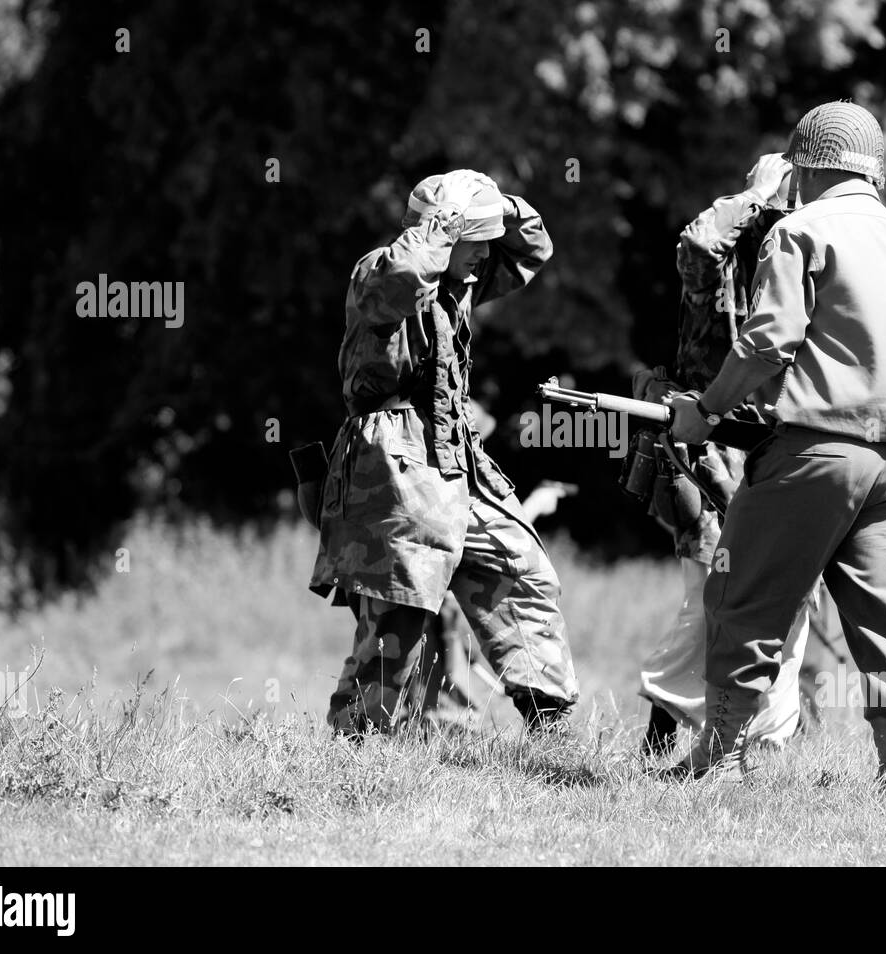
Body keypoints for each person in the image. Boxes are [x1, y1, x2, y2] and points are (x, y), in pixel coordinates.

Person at [667, 101, 886, 783]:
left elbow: (767, 343)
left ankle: (715, 761)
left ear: (801, 168)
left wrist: (707, 412)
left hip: (809, 458)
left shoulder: (801, 231)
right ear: (875, 174)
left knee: (741, 597)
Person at [309, 169, 579, 736]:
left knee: (520, 570)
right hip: (395, 466)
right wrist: (441, 227)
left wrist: (492, 204)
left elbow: (533, 247)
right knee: (400, 616)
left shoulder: (461, 282)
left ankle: (549, 726)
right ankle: (355, 748)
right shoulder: (380, 271)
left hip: (455, 461)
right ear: (443, 236)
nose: (484, 253)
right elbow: (404, 278)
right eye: (473, 241)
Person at [635, 153, 821, 759]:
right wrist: (757, 192)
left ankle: (762, 739)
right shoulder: (721, 266)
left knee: (790, 595)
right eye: (777, 206)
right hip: (712, 450)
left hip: (784, 445)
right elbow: (698, 244)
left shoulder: (806, 262)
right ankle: (672, 732)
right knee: (715, 590)